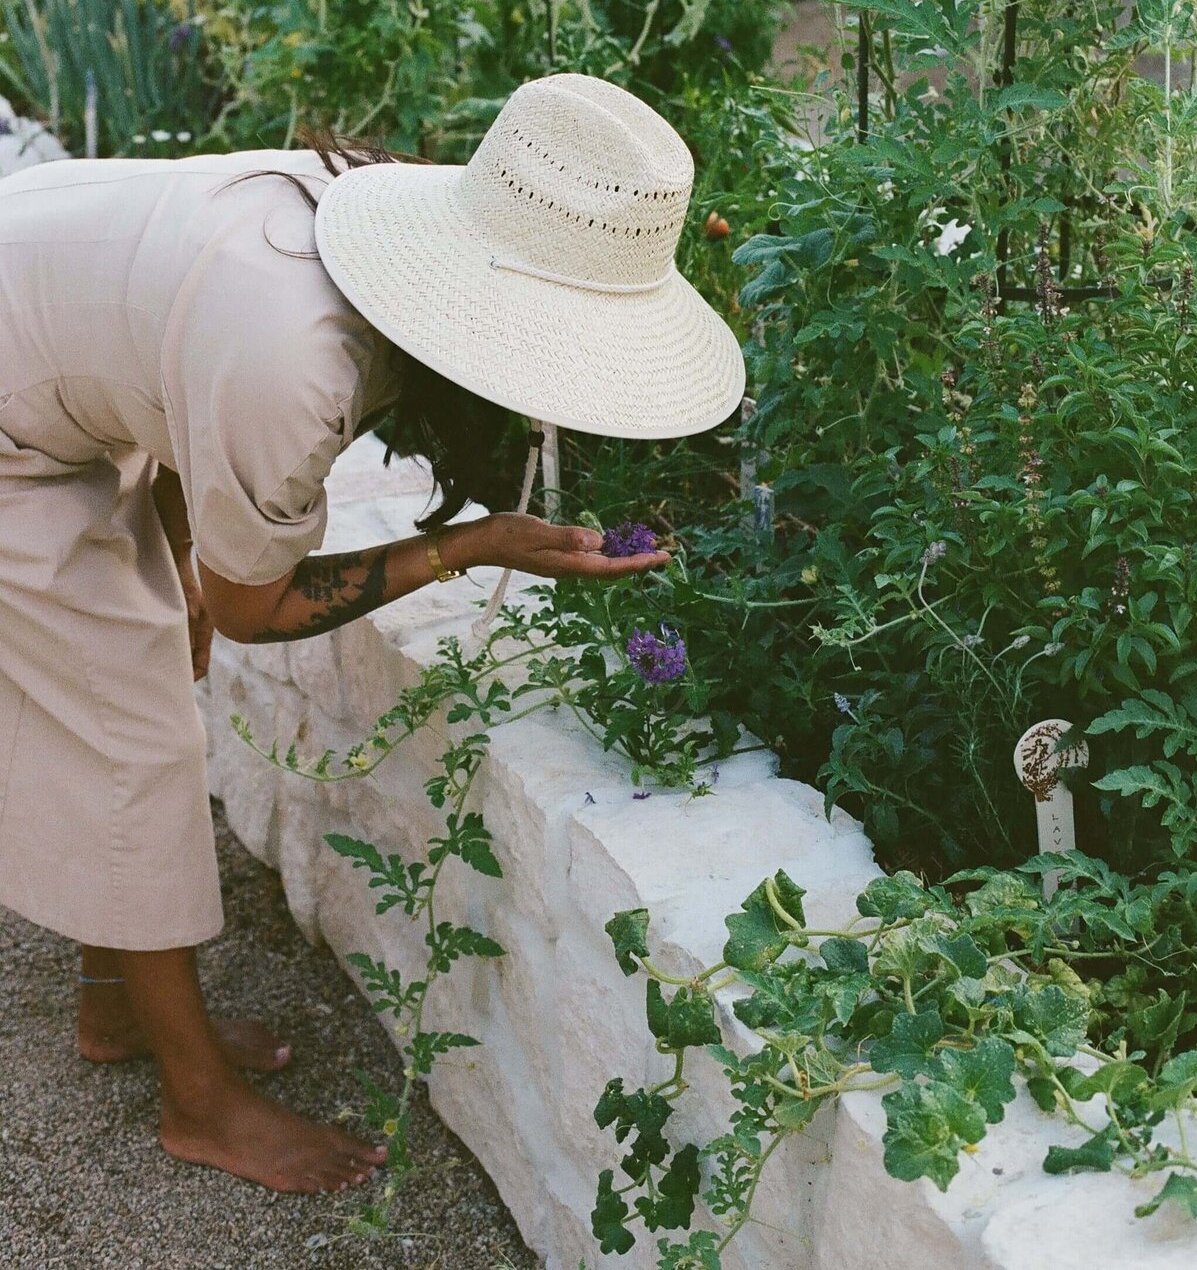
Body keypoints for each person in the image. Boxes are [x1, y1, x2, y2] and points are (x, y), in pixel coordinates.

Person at [0, 71, 744, 1193]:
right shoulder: (299, 360)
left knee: (135, 693)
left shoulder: (377, 231)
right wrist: (475, 544)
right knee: (135, 742)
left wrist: (181, 559)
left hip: (39, 352)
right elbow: (252, 608)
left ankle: (120, 1009)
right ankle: (199, 1104)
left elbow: (162, 367)